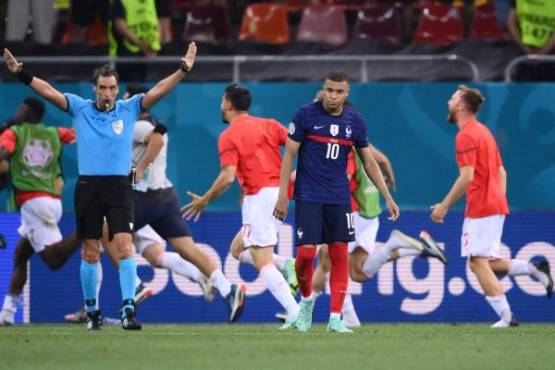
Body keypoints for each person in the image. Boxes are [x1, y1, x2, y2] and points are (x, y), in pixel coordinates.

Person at [3, 41, 198, 331]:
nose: (107, 93)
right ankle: (92, 313)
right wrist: (22, 73)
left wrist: (183, 69)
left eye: (111, 88)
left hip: (120, 188)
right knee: (91, 250)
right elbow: (49, 92)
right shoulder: (80, 108)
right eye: (102, 88)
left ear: (117, 90)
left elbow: (158, 90)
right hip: (89, 187)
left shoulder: (129, 109)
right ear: (94, 88)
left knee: (124, 246)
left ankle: (128, 311)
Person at [273, 70, 400, 333]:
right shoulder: (306, 114)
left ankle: (335, 318)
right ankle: (306, 300)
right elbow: (288, 157)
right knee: (306, 256)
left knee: (339, 254)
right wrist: (283, 194)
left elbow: (369, 161)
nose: (333, 96)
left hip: (339, 197)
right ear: (324, 89)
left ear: (346, 93)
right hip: (308, 195)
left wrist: (387, 196)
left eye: (339, 91)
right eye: (329, 90)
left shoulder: (355, 120)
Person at [431, 85, 553, 328]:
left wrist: (443, 206)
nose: (448, 102)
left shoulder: (465, 135)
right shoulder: (484, 132)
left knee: (477, 263)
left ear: (463, 106)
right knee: (487, 261)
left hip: (482, 207)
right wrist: (498, 199)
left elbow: (467, 177)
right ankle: (534, 268)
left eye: (453, 98)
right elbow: (501, 171)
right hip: (494, 204)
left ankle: (507, 317)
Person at [126, 84, 246, 323]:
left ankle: (135, 285)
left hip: (142, 198)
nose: (123, 104)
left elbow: (156, 138)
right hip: (165, 197)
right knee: (184, 250)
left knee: (103, 232)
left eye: (127, 100)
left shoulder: (137, 125)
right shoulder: (143, 123)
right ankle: (227, 290)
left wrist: (138, 169)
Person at [182, 84, 299, 328]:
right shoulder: (269, 124)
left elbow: (227, 177)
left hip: (260, 198)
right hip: (279, 195)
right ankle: (288, 264)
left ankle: (296, 313)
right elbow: (297, 146)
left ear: (228, 105)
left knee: (261, 261)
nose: (220, 105)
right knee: (237, 249)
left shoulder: (228, 135)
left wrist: (204, 200)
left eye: (222, 101)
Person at [311, 148, 448, 328]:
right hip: (371, 216)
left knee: (328, 258)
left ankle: (332, 314)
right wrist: (390, 179)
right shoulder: (363, 144)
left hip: (352, 214)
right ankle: (408, 247)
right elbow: (383, 160)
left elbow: (343, 181)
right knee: (358, 273)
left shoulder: (344, 149)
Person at [0, 97, 82, 325]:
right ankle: (7, 312)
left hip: (34, 202)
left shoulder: (15, 132)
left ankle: (87, 228)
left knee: (53, 260)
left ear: (28, 112)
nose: (17, 111)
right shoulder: (54, 133)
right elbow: (78, 136)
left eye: (20, 108)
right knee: (20, 255)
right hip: (51, 200)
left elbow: (3, 152)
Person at [108, 0, 161, 82]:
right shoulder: (120, 1)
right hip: (125, 55)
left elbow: (155, 22)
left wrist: (155, 46)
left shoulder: (150, 1)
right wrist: (140, 44)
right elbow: (120, 26)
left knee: (144, 88)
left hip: (147, 54)